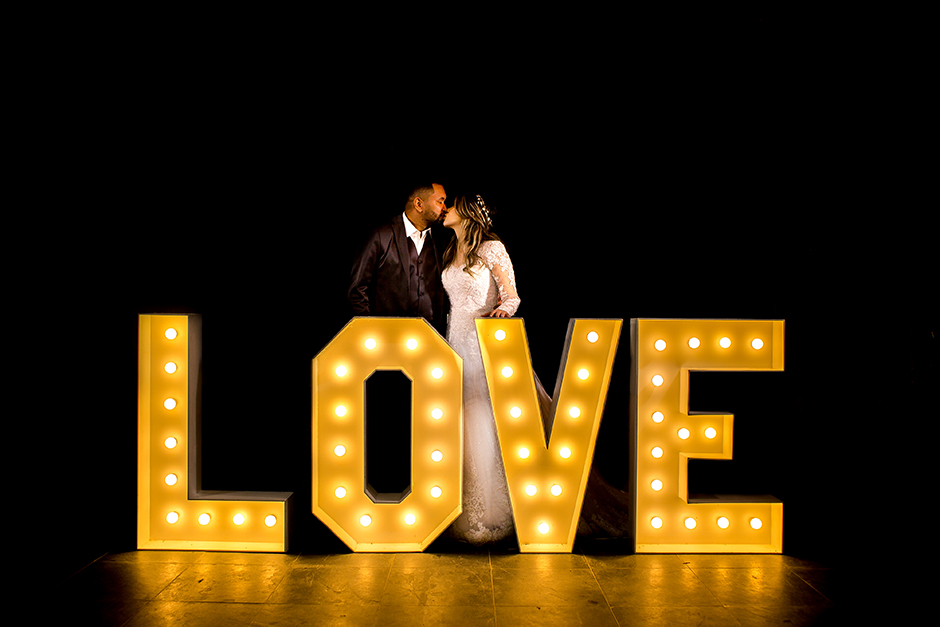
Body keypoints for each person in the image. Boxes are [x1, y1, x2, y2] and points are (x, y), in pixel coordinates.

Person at [440, 193, 526, 545]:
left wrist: (504, 311)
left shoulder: (492, 249)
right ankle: (451, 508)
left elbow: (512, 296)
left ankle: (489, 513)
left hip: (479, 343)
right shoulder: (448, 252)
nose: (445, 210)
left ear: (468, 213)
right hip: (452, 342)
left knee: (481, 420)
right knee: (455, 423)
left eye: (451, 205)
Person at [347, 183, 449, 337]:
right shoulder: (381, 234)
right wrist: (371, 329)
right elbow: (357, 289)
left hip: (431, 338)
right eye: (440, 201)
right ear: (419, 204)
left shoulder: (441, 241)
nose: (445, 208)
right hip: (387, 336)